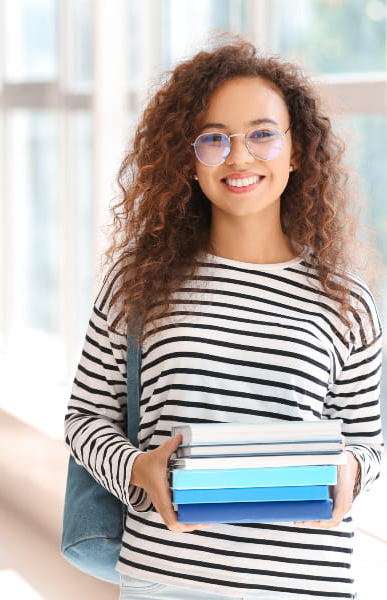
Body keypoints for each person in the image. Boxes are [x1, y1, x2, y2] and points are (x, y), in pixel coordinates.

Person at [64, 36, 383, 600]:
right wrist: (140, 470)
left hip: (304, 583)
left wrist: (352, 471)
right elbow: (85, 419)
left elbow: (367, 442)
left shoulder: (348, 301)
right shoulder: (137, 285)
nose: (239, 157)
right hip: (166, 579)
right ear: (188, 158)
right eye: (214, 139)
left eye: (262, 134)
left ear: (297, 149)